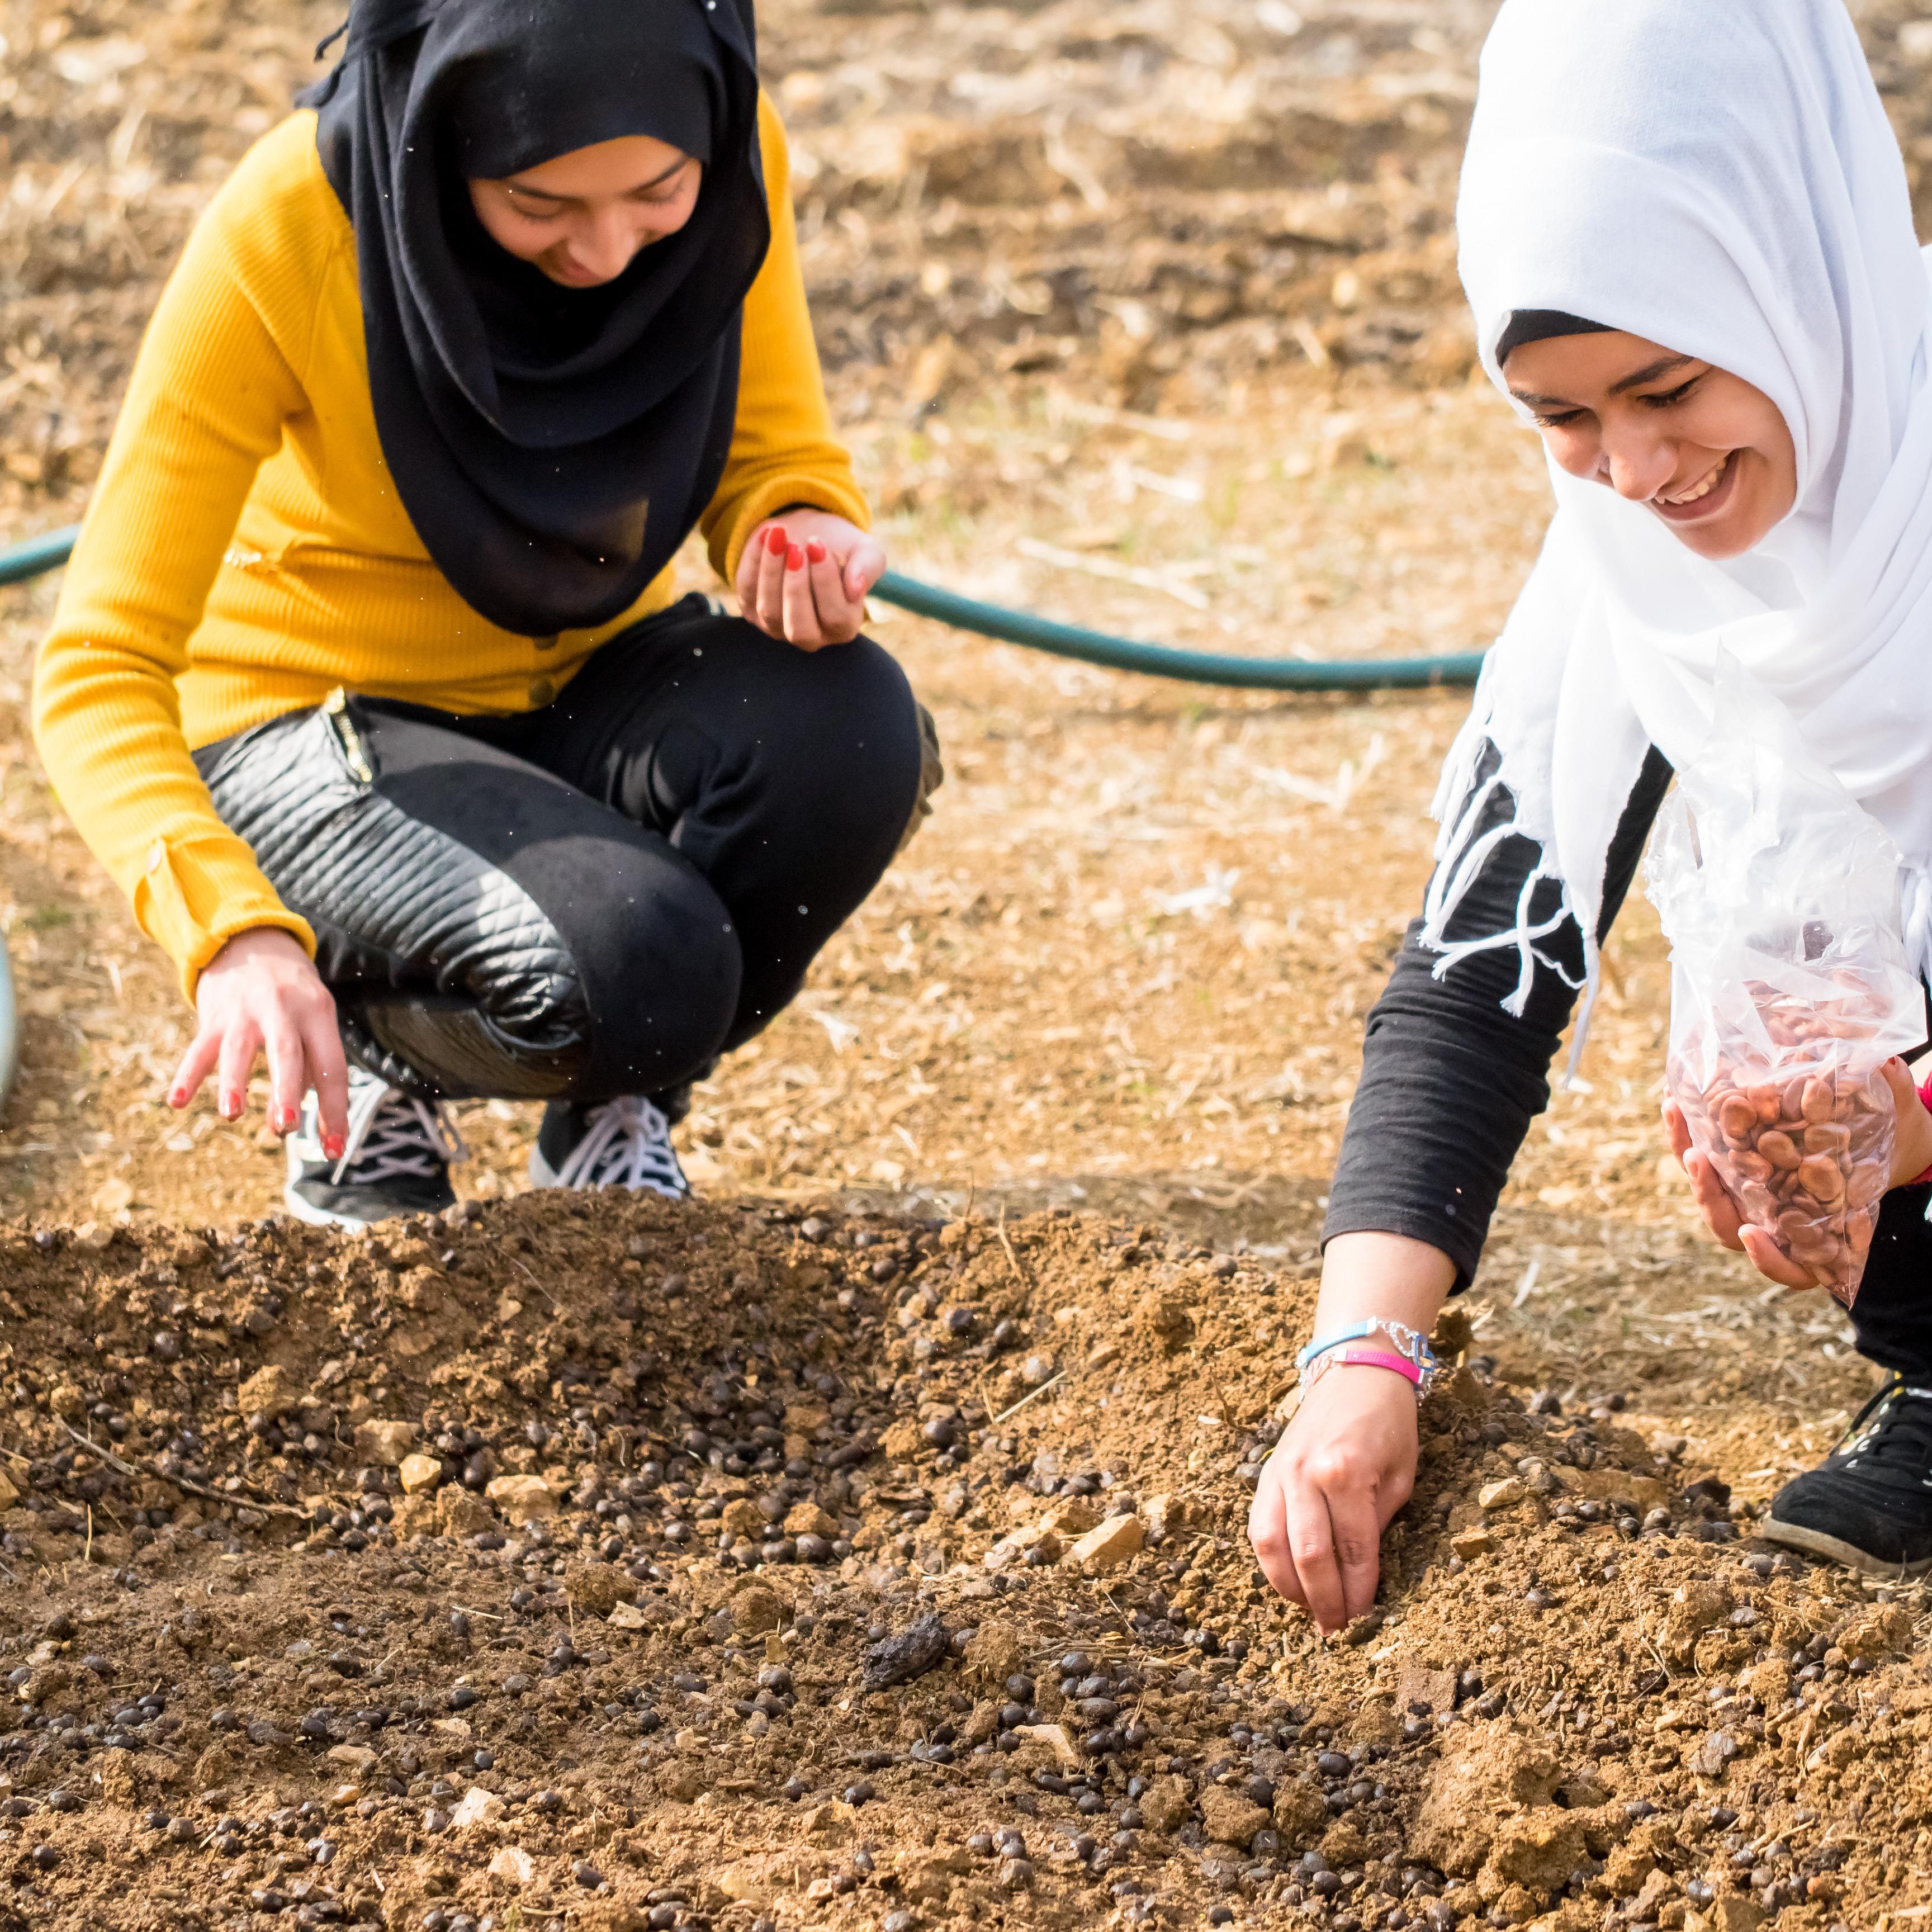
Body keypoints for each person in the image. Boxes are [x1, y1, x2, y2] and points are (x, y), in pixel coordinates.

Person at [31, 0, 937, 1228]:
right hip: (312, 732)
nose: (610, 251)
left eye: (654, 194)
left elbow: (770, 448)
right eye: (541, 207)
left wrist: (798, 520)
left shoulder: (726, 149)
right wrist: (229, 931)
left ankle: (615, 1105)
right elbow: (95, 667)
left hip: (577, 680)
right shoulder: (292, 227)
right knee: (642, 969)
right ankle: (370, 1065)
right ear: (442, 135)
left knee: (856, 732)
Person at [1249, 0, 1932, 1625]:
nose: (1633, 473)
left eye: (1669, 385)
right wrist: (1364, 1358)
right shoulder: (1624, 571)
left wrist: (1913, 1120)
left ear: (1789, 275)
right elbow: (1478, 975)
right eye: (1561, 418)